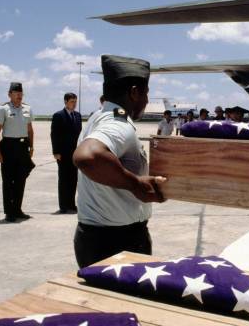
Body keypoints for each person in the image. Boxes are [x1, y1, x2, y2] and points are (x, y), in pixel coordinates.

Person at [72, 55, 167, 268]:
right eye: (146, 94)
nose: (146, 101)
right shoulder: (118, 123)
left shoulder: (98, 117)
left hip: (94, 237)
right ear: (134, 92)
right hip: (117, 244)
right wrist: (136, 184)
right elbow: (87, 156)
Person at [0, 82, 34, 222]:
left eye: (21, 93)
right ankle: (9, 212)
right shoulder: (3, 109)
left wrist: (31, 147)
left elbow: (30, 129)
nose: (19, 95)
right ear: (9, 94)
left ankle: (17, 209)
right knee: (8, 181)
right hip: (8, 147)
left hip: (23, 147)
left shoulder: (27, 109)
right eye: (16, 93)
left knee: (20, 180)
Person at [51, 92, 82, 214]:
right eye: (72, 102)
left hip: (75, 153)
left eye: (75, 101)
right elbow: (54, 134)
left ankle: (71, 204)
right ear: (65, 102)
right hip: (63, 153)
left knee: (73, 179)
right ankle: (63, 205)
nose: (74, 104)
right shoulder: (58, 115)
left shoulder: (78, 116)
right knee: (64, 179)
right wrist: (56, 151)